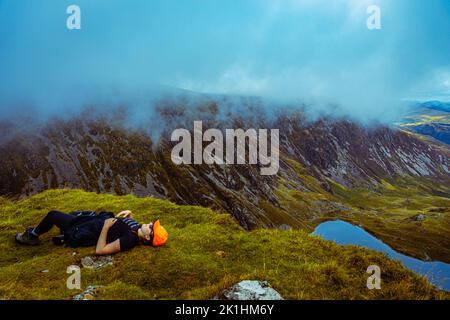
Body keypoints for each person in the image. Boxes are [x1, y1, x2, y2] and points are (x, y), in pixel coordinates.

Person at [15, 210, 168, 255]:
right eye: (151, 223)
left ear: (148, 237)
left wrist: (106, 227)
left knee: (52, 215)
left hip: (87, 228)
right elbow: (126, 226)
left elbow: (100, 250)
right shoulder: (137, 228)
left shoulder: (129, 240)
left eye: (151, 227)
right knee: (69, 214)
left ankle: (31, 237)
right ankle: (63, 235)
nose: (149, 223)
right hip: (90, 221)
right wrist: (129, 215)